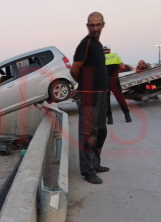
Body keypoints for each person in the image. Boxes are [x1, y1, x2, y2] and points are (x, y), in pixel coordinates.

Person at [70, 12, 109, 184]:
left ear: (103, 25)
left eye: (98, 24)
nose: (95, 28)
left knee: (101, 131)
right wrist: (83, 86)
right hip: (89, 96)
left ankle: (95, 163)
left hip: (101, 94)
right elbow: (74, 69)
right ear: (87, 26)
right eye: (91, 25)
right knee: (88, 134)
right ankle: (88, 171)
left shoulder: (98, 45)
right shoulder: (84, 44)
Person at [103, 45, 132, 124]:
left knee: (106, 100)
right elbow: (122, 67)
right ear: (110, 50)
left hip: (105, 81)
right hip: (114, 80)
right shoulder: (115, 56)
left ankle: (110, 119)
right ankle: (127, 116)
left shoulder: (100, 58)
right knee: (120, 98)